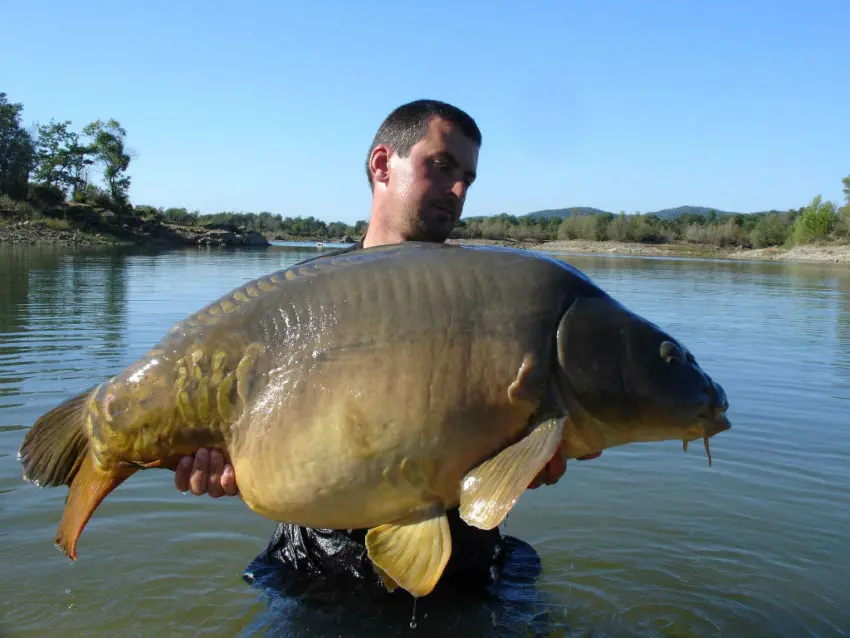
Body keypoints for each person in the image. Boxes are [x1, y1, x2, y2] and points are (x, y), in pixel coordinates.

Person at [173, 99, 601, 600]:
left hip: (459, 566)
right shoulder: (298, 301)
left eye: (468, 177)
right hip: (319, 565)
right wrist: (224, 465)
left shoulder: (493, 300)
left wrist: (525, 461)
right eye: (441, 167)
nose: (458, 190)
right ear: (382, 164)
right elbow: (257, 424)